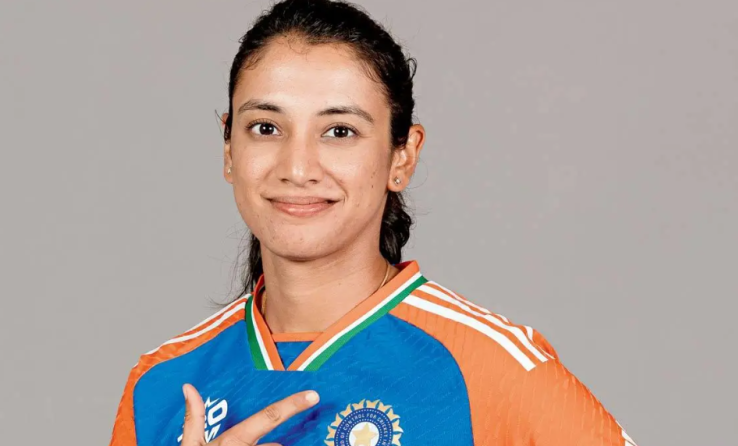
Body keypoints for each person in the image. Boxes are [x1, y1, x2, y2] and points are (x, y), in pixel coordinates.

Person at [109, 0, 638, 445]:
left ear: (402, 157)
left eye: (339, 131)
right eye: (266, 127)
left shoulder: (485, 366)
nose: (297, 168)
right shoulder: (161, 384)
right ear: (229, 149)